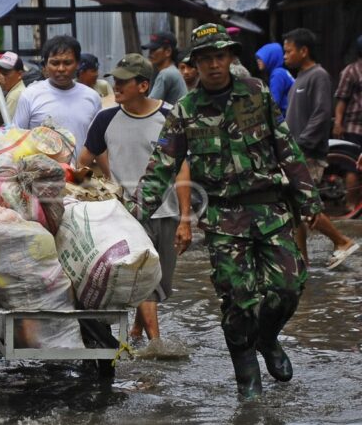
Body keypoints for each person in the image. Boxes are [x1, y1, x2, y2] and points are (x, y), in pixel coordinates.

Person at [129, 24, 323, 399]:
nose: (214, 64)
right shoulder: (185, 111)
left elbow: (286, 148)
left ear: (230, 58)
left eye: (220, 56)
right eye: (206, 58)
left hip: (270, 209)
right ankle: (246, 375)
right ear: (195, 65)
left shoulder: (257, 93)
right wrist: (136, 215)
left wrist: (308, 199)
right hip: (223, 218)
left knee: (288, 287)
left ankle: (267, 339)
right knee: (237, 299)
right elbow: (161, 168)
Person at [78, 53, 190, 344]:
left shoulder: (169, 118)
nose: (116, 87)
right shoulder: (106, 119)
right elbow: (83, 161)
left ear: (143, 86)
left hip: (166, 212)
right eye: (115, 81)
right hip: (126, 214)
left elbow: (181, 169)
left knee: (161, 282)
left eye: (123, 82)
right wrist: (99, 189)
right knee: (144, 278)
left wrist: (186, 219)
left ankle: (137, 331)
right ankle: (156, 344)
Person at [283, 28, 359, 268]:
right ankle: (301, 261)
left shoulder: (318, 75)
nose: (285, 56)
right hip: (295, 151)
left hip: (308, 152)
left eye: (289, 51)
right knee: (296, 210)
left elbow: (321, 113)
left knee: (305, 205)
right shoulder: (299, 78)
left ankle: (342, 241)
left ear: (304, 51)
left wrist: (301, 144)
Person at [14, 35, 101, 159]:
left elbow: (98, 143)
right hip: (41, 175)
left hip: (80, 176)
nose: (61, 69)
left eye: (67, 63)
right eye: (55, 63)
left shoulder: (92, 97)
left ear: (77, 64)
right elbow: (17, 140)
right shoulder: (30, 95)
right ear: (45, 65)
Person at [333, 34, 362, 213]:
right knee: (353, 167)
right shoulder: (351, 71)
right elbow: (342, 100)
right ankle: (351, 205)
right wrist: (338, 123)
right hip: (354, 127)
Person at [141, 31, 187, 105]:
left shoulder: (166, 74)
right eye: (150, 50)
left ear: (168, 51)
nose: (150, 53)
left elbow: (149, 105)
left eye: (154, 49)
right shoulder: (172, 70)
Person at [0, 50, 26, 125]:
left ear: (20, 74)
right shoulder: (15, 91)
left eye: (5, 73)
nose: (0, 76)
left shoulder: (15, 95)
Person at [255, 42, 294, 115]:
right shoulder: (281, 72)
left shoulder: (277, 75)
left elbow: (274, 104)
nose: (258, 60)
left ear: (271, 57)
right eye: (257, 58)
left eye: (261, 57)